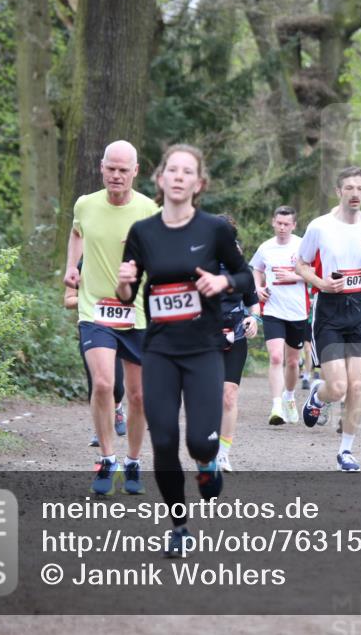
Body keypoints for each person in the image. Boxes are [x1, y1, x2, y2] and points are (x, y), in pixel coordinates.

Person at [116, 144, 253, 556]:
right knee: (162, 441)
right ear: (160, 180)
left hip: (204, 349)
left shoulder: (215, 230)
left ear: (198, 183)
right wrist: (124, 281)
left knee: (200, 442)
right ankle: (178, 524)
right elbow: (126, 296)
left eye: (186, 171)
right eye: (171, 170)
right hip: (159, 349)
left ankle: (208, 465)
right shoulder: (143, 233)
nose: (177, 176)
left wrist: (223, 283)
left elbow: (247, 278)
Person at [63, 140, 158, 496]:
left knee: (139, 396)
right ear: (101, 168)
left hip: (138, 315)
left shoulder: (149, 210)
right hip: (94, 310)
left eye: (124, 170)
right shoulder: (85, 205)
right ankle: (107, 459)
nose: (116, 176)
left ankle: (133, 461)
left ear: (135, 172)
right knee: (103, 384)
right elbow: (76, 233)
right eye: (111, 169)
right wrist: (72, 267)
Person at [296, 166, 361, 472]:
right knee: (337, 387)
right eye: (349, 188)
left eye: (360, 188)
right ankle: (318, 395)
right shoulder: (320, 226)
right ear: (339, 192)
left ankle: (346, 451)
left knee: (357, 386)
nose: (355, 194)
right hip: (329, 309)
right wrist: (322, 284)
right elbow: (300, 264)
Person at [249, 206, 309, 425]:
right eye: (279, 223)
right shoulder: (265, 247)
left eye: (287, 224)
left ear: (294, 225)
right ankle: (276, 406)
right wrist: (257, 288)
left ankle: (289, 397)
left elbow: (316, 275)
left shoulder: (303, 245)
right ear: (273, 222)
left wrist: (295, 276)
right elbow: (256, 268)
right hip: (273, 309)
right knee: (276, 357)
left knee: (292, 362)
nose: (282, 228)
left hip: (297, 311)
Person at [63, 259, 127, 446]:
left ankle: (117, 408)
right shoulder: (81, 265)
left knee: (116, 385)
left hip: (118, 328)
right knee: (97, 383)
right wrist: (92, 299)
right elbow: (68, 301)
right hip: (91, 327)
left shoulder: (118, 260)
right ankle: (100, 431)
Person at [216, 214, 260, 473]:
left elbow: (253, 301)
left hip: (236, 333)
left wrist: (254, 318)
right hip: (203, 336)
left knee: (229, 396)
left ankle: (223, 453)